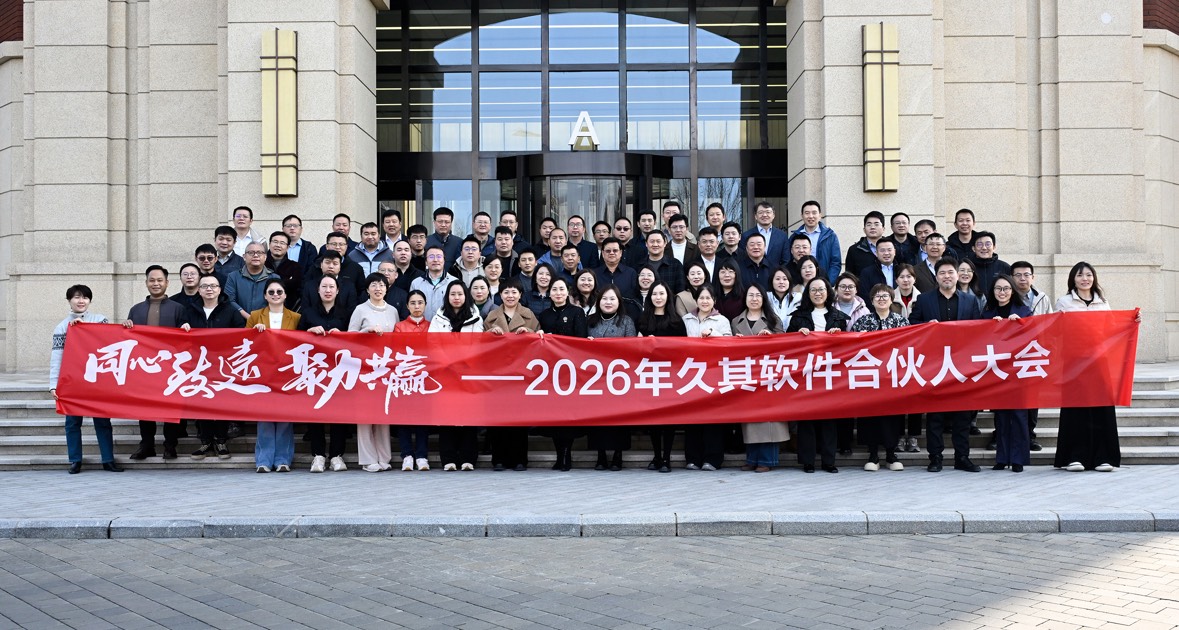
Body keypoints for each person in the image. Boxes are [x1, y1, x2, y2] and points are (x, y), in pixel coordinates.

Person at [1054, 262, 1137, 472]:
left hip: (1099, 362)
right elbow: (1058, 331)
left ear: (1094, 278)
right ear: (1073, 279)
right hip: (1074, 363)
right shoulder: (1064, 302)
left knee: (1102, 409)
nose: (1085, 279)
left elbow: (1111, 329)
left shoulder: (1103, 302)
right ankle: (1075, 457)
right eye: (1080, 275)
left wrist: (1131, 322)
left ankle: (1104, 457)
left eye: (1089, 275)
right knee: (1076, 410)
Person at [908, 258, 983, 473]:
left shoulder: (970, 300)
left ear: (957, 275)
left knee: (962, 417)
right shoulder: (924, 300)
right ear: (936, 276)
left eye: (951, 272)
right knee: (935, 417)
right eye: (942, 273)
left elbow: (979, 330)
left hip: (962, 366)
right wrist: (926, 327)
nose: (947, 276)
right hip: (935, 366)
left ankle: (962, 458)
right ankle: (935, 458)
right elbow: (911, 326)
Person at [50, 284, 122, 474]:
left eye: (85, 297)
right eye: (76, 297)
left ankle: (108, 460)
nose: (81, 301)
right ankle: (75, 460)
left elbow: (110, 341)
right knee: (72, 423)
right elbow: (57, 358)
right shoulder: (62, 327)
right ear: (69, 301)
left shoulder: (100, 320)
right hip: (72, 381)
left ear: (90, 301)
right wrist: (53, 385)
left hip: (97, 380)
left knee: (103, 421)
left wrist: (84, 328)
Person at [124, 266, 189, 461]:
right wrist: (126, 327)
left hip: (170, 367)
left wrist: (185, 328)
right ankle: (147, 445)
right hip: (144, 366)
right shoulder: (136, 310)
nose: (156, 284)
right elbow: (129, 339)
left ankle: (170, 445)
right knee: (144, 408)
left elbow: (186, 339)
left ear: (167, 283)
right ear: (146, 283)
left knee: (171, 407)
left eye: (160, 280)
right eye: (152, 280)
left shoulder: (178, 308)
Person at [787, 277, 850, 473]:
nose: (817, 293)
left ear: (828, 292)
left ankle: (828, 461)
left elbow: (848, 347)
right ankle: (808, 461)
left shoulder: (838, 316)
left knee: (829, 419)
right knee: (807, 419)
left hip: (830, 374)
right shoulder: (798, 317)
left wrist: (839, 335)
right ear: (808, 294)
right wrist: (797, 335)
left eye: (821, 289)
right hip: (806, 373)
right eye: (813, 290)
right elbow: (786, 344)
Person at [184, 274, 246, 460]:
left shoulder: (230, 310)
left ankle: (221, 441)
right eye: (205, 286)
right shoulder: (190, 310)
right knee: (201, 403)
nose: (209, 289)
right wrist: (182, 327)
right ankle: (205, 442)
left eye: (213, 286)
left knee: (221, 403)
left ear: (220, 290)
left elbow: (241, 335)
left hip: (222, 365)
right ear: (199, 290)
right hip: (198, 366)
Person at [851, 284, 910, 471]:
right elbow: (852, 347)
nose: (881, 299)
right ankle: (873, 454)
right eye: (877, 296)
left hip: (893, 376)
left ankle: (891, 455)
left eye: (885, 296)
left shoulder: (901, 322)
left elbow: (910, 346)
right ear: (871, 300)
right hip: (869, 376)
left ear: (892, 299)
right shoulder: (863, 322)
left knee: (892, 416)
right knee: (870, 415)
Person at [299, 275, 354, 472]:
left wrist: (343, 335)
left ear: (338, 291)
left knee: (339, 413)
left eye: (332, 287)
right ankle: (318, 455)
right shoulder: (308, 312)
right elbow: (295, 339)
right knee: (315, 413)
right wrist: (309, 332)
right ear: (318, 290)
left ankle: (337, 456)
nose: (328, 290)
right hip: (315, 371)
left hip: (340, 370)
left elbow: (356, 338)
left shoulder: (347, 313)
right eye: (324, 286)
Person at [429, 280, 485, 471]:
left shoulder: (475, 318)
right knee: (447, 417)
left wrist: (463, 363)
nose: (456, 297)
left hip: (468, 373)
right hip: (445, 374)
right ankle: (449, 459)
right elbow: (433, 343)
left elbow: (478, 344)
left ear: (466, 296)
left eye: (460, 294)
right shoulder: (438, 318)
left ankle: (468, 458)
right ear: (447, 297)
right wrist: (448, 363)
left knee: (468, 417)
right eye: (453, 294)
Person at [246, 279, 300, 473]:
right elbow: (244, 343)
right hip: (263, 373)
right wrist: (255, 333)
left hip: (287, 373)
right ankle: (264, 460)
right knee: (265, 417)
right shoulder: (255, 316)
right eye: (271, 292)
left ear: (285, 295)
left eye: (279, 291)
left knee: (285, 417)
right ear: (265, 295)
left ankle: (283, 460)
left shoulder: (296, 317)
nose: (275, 295)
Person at [484, 279, 538, 472]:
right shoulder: (491, 317)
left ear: (520, 295)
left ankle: (519, 459)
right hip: (497, 375)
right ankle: (498, 459)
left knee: (518, 419)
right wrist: (490, 334)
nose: (510, 296)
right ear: (500, 295)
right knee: (497, 419)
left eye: (514, 292)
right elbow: (480, 346)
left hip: (520, 375)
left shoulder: (529, 315)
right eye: (506, 292)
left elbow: (539, 341)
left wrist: (528, 332)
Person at [980, 274, 1033, 472]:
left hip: (1019, 370)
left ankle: (1018, 459)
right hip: (997, 371)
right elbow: (979, 340)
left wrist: (1020, 325)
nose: (1002, 292)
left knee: (1019, 415)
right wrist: (990, 327)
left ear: (1012, 290)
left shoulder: (1024, 311)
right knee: (1001, 416)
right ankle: (1002, 457)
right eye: (998, 289)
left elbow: (1034, 337)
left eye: (1006, 288)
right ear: (993, 291)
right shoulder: (987, 313)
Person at [349, 273, 401, 472]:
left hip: (386, 369)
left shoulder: (393, 311)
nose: (378, 288)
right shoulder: (360, 309)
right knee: (365, 416)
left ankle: (384, 457)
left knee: (383, 414)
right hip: (365, 369)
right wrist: (366, 332)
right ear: (367, 289)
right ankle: (367, 458)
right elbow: (349, 336)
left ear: (387, 289)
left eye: (381, 285)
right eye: (373, 285)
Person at [734, 284, 788, 472]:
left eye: (758, 295)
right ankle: (752, 458)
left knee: (768, 420)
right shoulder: (736, 321)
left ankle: (767, 460)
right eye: (751, 295)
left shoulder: (773, 319)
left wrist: (771, 337)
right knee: (750, 420)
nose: (754, 299)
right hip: (747, 375)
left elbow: (786, 346)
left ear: (764, 298)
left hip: (769, 375)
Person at [537, 277, 588, 471]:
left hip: (571, 372)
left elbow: (581, 340)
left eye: (561, 289)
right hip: (551, 373)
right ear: (549, 293)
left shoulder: (577, 312)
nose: (558, 293)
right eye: (554, 290)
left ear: (567, 292)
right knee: (554, 417)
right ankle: (559, 455)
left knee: (568, 416)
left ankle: (567, 455)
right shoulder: (544, 315)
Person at [636, 281, 686, 473]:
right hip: (649, 375)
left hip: (669, 376)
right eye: (655, 294)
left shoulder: (676, 321)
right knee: (653, 420)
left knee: (669, 420)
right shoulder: (643, 319)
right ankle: (656, 456)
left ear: (668, 296)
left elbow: (682, 349)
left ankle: (666, 458)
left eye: (662, 294)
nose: (658, 297)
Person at [586, 286, 637, 471]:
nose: (608, 302)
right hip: (596, 378)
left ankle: (617, 455)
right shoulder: (590, 320)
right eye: (605, 299)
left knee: (619, 418)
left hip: (619, 378)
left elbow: (633, 348)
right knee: (597, 417)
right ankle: (600, 456)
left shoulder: (626, 321)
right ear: (599, 301)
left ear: (619, 302)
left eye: (612, 299)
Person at [682, 284, 732, 471]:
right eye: (701, 298)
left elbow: (731, 344)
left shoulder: (722, 320)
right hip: (691, 374)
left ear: (714, 301)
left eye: (708, 298)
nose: (704, 301)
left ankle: (713, 459)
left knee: (713, 418)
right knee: (692, 418)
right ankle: (693, 458)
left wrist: (713, 334)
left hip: (714, 374)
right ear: (696, 300)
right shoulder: (686, 319)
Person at [391, 290, 432, 471]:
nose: (417, 306)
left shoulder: (432, 326)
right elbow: (397, 349)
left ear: (425, 305)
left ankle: (422, 455)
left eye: (420, 302)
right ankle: (407, 454)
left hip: (425, 376)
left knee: (423, 418)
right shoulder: (399, 326)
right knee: (404, 417)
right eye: (413, 303)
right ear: (407, 306)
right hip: (405, 377)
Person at [791, 200, 842, 283]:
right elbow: (789, 261)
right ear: (802, 216)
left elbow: (835, 263)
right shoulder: (794, 236)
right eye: (807, 213)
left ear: (820, 215)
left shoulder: (830, 236)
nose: (811, 216)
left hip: (823, 282)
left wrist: (828, 283)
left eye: (814, 213)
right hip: (799, 282)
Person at [409, 245, 458, 321]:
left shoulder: (454, 282)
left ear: (444, 260)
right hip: (422, 326)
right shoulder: (416, 283)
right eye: (431, 257)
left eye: (439, 256)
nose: (435, 260)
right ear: (426, 262)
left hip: (447, 326)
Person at [741, 201, 789, 268]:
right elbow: (743, 259)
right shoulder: (746, 235)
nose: (764, 215)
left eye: (768, 212)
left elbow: (786, 260)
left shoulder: (782, 236)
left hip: (776, 273)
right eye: (761, 212)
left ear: (773, 215)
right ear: (755, 216)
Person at [844, 211, 886, 278]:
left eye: (876, 224)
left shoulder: (892, 248)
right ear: (864, 229)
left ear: (883, 229)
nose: (872, 227)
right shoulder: (854, 250)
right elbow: (850, 276)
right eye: (869, 225)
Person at [644, 230, 685, 294]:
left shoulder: (675, 264)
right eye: (652, 241)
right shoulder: (639, 265)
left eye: (658, 241)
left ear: (665, 243)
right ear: (646, 244)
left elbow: (680, 291)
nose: (655, 244)